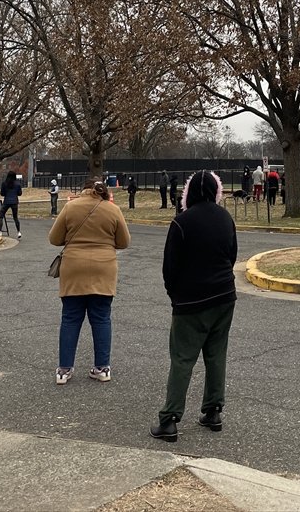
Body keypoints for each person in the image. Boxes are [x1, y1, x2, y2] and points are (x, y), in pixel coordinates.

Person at [150, 170, 238, 443]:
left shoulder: (181, 222)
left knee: (182, 358)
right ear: (216, 191)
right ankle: (213, 410)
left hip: (190, 300)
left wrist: (174, 294)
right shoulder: (225, 218)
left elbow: (170, 267)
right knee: (216, 354)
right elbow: (232, 255)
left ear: (188, 194)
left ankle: (170, 418)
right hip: (224, 295)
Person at [48, 180, 131, 385]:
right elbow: (124, 242)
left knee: (70, 318)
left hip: (73, 267)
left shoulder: (70, 207)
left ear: (83, 189)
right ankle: (102, 368)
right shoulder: (112, 210)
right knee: (101, 317)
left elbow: (54, 239)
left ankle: (64, 370)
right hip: (104, 267)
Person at [0, 170, 24, 237]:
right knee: (15, 217)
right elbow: (20, 193)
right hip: (14, 202)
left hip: (6, 201)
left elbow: (2, 193)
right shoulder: (17, 184)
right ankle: (18, 232)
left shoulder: (4, 183)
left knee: (1, 216)